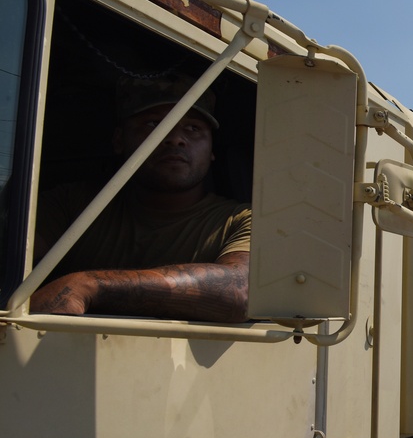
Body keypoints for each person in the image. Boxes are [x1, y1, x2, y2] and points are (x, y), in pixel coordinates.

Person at [31, 74, 251, 323]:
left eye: (193, 128)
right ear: (119, 140)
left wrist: (89, 286)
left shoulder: (242, 220)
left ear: (212, 151)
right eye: (153, 124)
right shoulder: (73, 204)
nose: (175, 138)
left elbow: (239, 291)